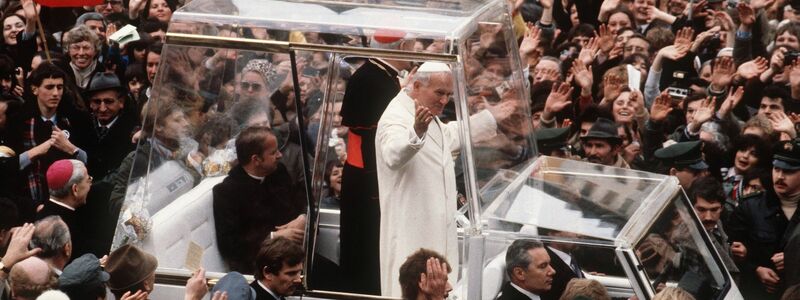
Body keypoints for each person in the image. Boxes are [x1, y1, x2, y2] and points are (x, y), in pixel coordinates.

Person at [375, 62, 514, 297]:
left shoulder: (422, 110)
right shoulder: (396, 116)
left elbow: (446, 137)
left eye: (449, 95)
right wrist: (416, 132)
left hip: (436, 228)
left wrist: (491, 117)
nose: (444, 101)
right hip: (412, 230)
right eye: (439, 93)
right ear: (417, 85)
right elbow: (393, 154)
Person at [339, 29, 415, 295]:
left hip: (368, 176)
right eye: (413, 45)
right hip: (367, 180)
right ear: (403, 46)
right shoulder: (371, 80)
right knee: (366, 247)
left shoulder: (380, 76)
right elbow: (369, 137)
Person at [213, 126, 306, 273]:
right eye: (273, 152)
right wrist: (273, 237)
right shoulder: (227, 192)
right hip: (264, 266)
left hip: (298, 252)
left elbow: (301, 199)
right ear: (256, 159)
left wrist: (303, 217)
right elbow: (230, 246)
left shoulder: (278, 172)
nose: (280, 155)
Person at [728, 139, 800, 299]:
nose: (780, 176)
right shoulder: (750, 207)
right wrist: (755, 270)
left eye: (788, 171)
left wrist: (794, 258)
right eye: (777, 169)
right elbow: (730, 252)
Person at [82, 72, 137, 180]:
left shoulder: (132, 130)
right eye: (97, 102)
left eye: (108, 102)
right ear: (90, 103)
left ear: (121, 102)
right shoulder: (82, 126)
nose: (102, 108)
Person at [36, 159, 91, 258]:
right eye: (88, 180)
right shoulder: (67, 230)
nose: (90, 184)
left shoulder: (41, 212)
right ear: (75, 189)